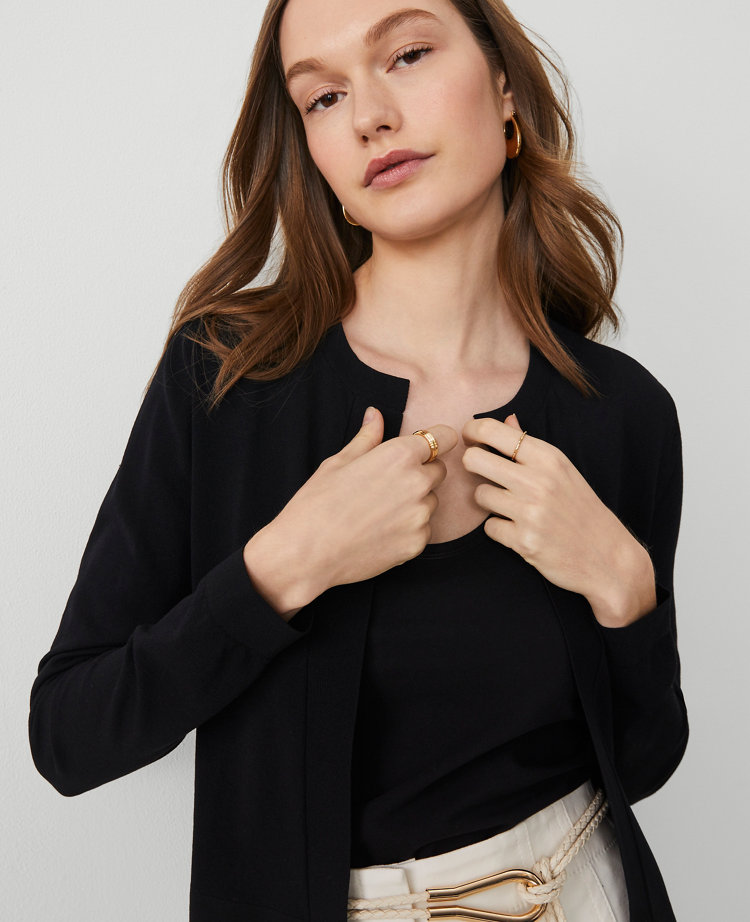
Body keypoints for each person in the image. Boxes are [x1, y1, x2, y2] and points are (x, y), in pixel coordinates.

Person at [28, 0, 688, 920]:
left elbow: (642, 761)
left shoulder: (622, 412)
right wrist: (281, 569)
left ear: (504, 86)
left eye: (408, 54)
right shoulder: (226, 378)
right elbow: (69, 735)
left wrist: (626, 588)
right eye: (324, 98)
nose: (370, 116)